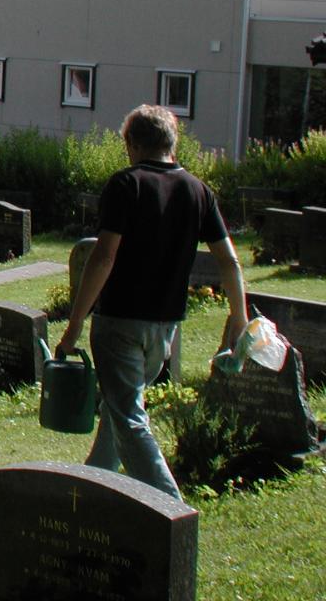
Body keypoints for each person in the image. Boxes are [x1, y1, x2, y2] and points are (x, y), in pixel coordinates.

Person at [57, 104, 247, 499]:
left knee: (128, 418)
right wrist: (238, 315)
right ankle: (93, 491)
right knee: (119, 409)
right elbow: (228, 259)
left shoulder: (126, 185)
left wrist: (73, 326)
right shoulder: (199, 191)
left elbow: (104, 256)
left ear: (133, 143)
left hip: (121, 321)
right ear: (171, 144)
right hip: (166, 328)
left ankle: (171, 510)